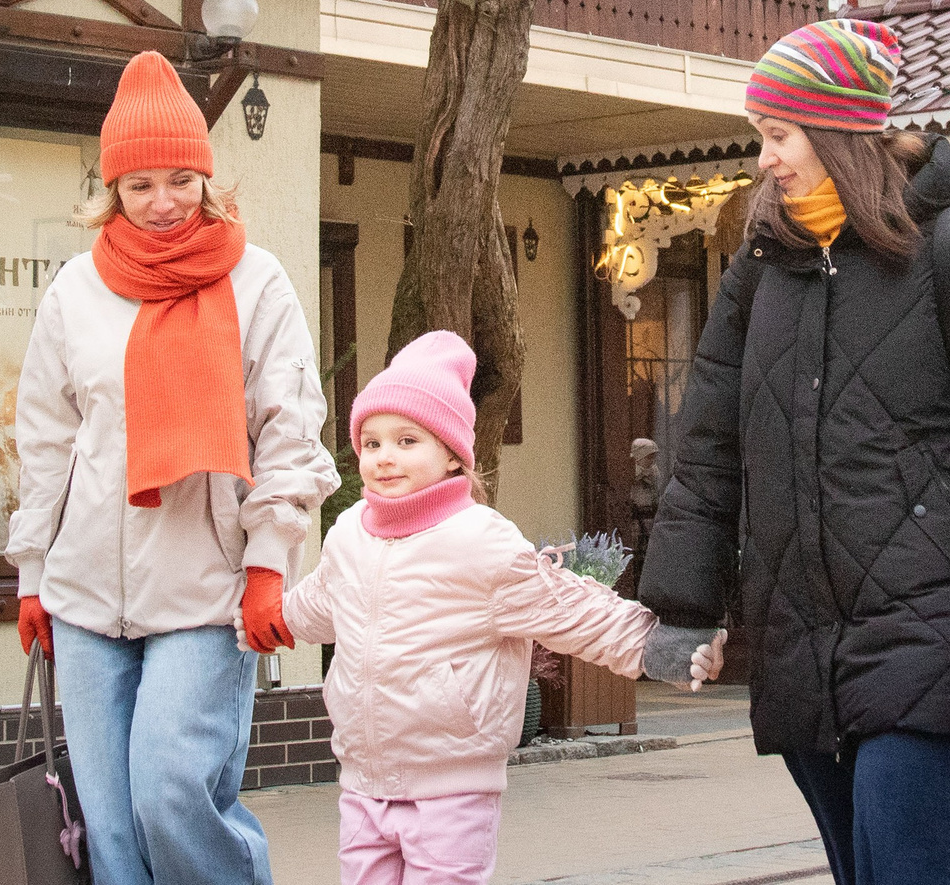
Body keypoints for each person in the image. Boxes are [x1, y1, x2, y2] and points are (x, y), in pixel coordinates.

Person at [638, 17, 950, 885]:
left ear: (840, 132)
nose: (765, 158)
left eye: (779, 134)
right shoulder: (764, 267)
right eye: (761, 135)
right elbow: (710, 442)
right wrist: (684, 607)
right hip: (802, 641)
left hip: (933, 632)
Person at [5, 51, 337, 885]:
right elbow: (45, 440)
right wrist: (34, 573)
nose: (163, 202)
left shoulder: (256, 283)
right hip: (86, 596)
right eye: (141, 183)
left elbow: (290, 431)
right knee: (111, 828)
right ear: (112, 187)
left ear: (207, 177)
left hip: (205, 591)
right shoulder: (75, 290)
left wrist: (269, 563)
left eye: (181, 179)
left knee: (169, 792)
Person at [285, 331, 717, 885]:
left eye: (407, 440)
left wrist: (653, 645)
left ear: (451, 455)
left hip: (452, 783)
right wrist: (259, 617)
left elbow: (567, 607)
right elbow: (320, 601)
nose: (384, 457)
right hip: (363, 782)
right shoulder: (348, 535)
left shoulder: (480, 541)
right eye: (371, 443)